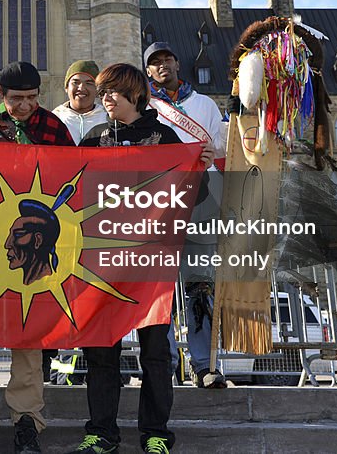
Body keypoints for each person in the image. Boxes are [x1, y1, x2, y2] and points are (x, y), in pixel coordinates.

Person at [67, 63, 211, 454]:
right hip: (102, 262)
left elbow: (194, 196)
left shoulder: (163, 137)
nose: (104, 98)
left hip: (151, 261)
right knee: (100, 350)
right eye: (102, 91)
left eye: (112, 91)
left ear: (135, 93)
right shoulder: (94, 139)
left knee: (155, 352)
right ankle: (101, 432)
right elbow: (70, 194)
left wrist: (199, 167)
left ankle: (155, 433)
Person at [0, 60, 74, 454]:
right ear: (0, 94)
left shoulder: (53, 128)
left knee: (29, 342)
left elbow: (77, 177)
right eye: (17, 99)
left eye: (32, 99)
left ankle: (27, 427)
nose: (25, 107)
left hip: (33, 251)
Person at [144, 41, 228, 390]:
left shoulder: (204, 104)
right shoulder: (145, 107)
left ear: (177, 63)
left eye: (167, 59)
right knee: (158, 289)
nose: (162, 66)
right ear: (148, 71)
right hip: (158, 205)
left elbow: (226, 143)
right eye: (154, 63)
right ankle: (164, 363)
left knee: (199, 286)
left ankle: (204, 364)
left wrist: (213, 151)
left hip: (200, 201)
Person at [52, 60, 107, 144]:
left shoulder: (107, 119)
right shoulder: (54, 119)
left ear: (97, 90)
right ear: (66, 87)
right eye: (75, 83)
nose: (81, 88)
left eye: (89, 83)